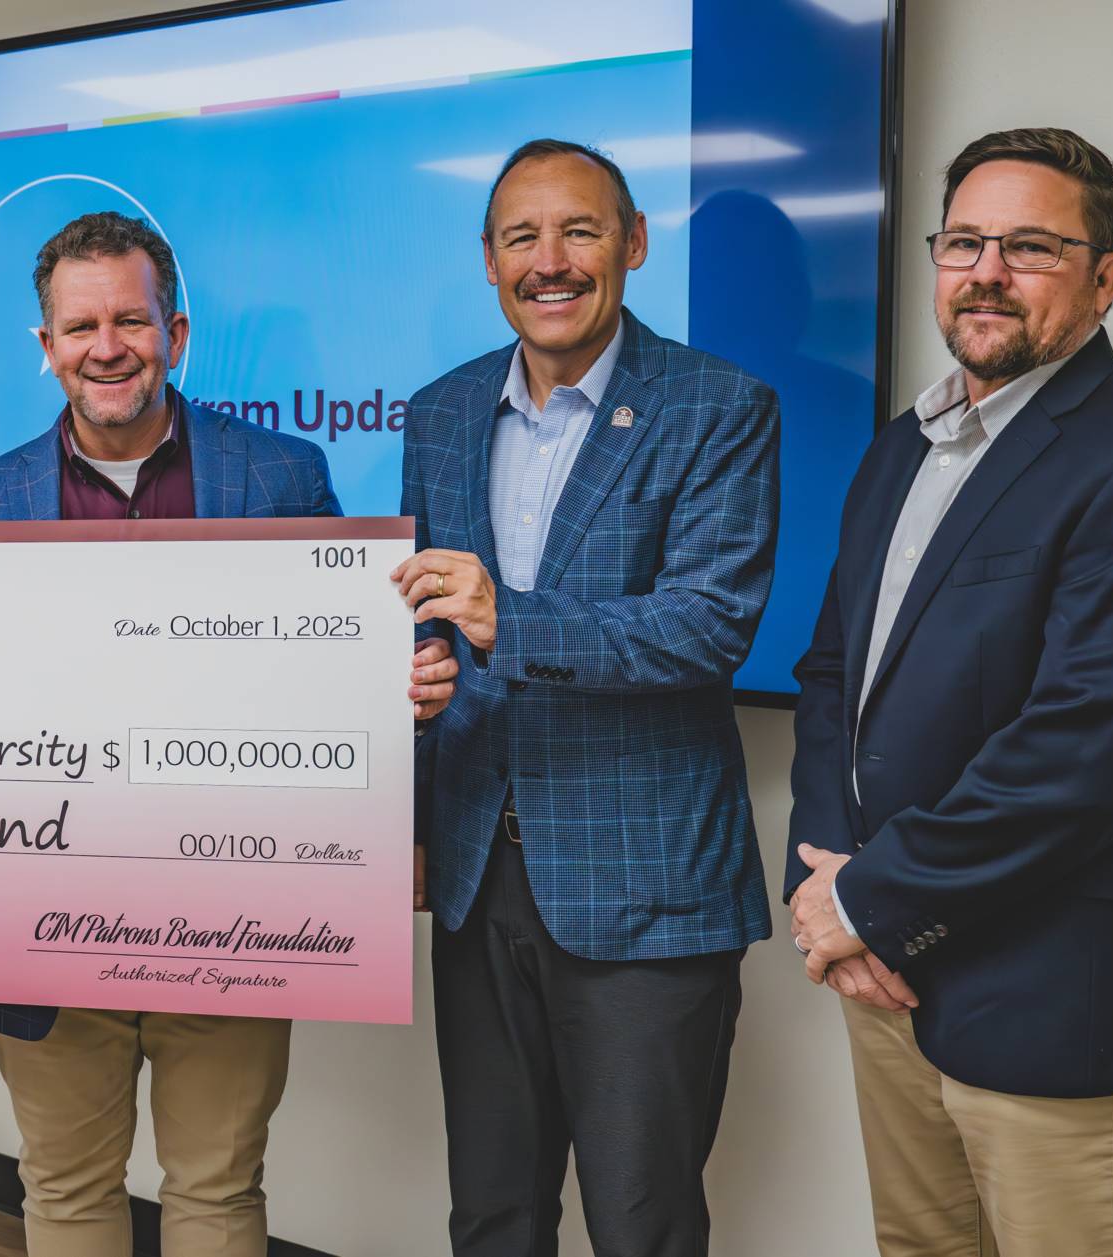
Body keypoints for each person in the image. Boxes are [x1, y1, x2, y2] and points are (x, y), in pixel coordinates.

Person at [0, 210, 455, 1256]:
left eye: (130, 319)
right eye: (79, 328)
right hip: (41, 919)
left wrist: (388, 700)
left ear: (176, 329)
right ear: (44, 348)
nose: (106, 347)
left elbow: (333, 674)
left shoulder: (281, 475)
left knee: (215, 1189)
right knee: (66, 1188)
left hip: (232, 906)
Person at [786, 127, 1113, 1256]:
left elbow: (1083, 747)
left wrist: (866, 903)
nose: (985, 270)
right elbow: (832, 677)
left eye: (1032, 246)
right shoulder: (900, 447)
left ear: (1104, 280)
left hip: (1048, 993)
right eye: (964, 241)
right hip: (882, 980)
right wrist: (830, 891)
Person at [395, 139, 780, 1257]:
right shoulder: (441, 411)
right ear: (487, 260)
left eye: (579, 231)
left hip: (643, 888)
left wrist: (504, 620)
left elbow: (708, 626)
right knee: (493, 1216)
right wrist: (414, 808)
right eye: (520, 236)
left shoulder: (716, 405)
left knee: (641, 1223)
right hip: (474, 879)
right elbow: (430, 629)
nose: (548, 261)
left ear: (633, 245)